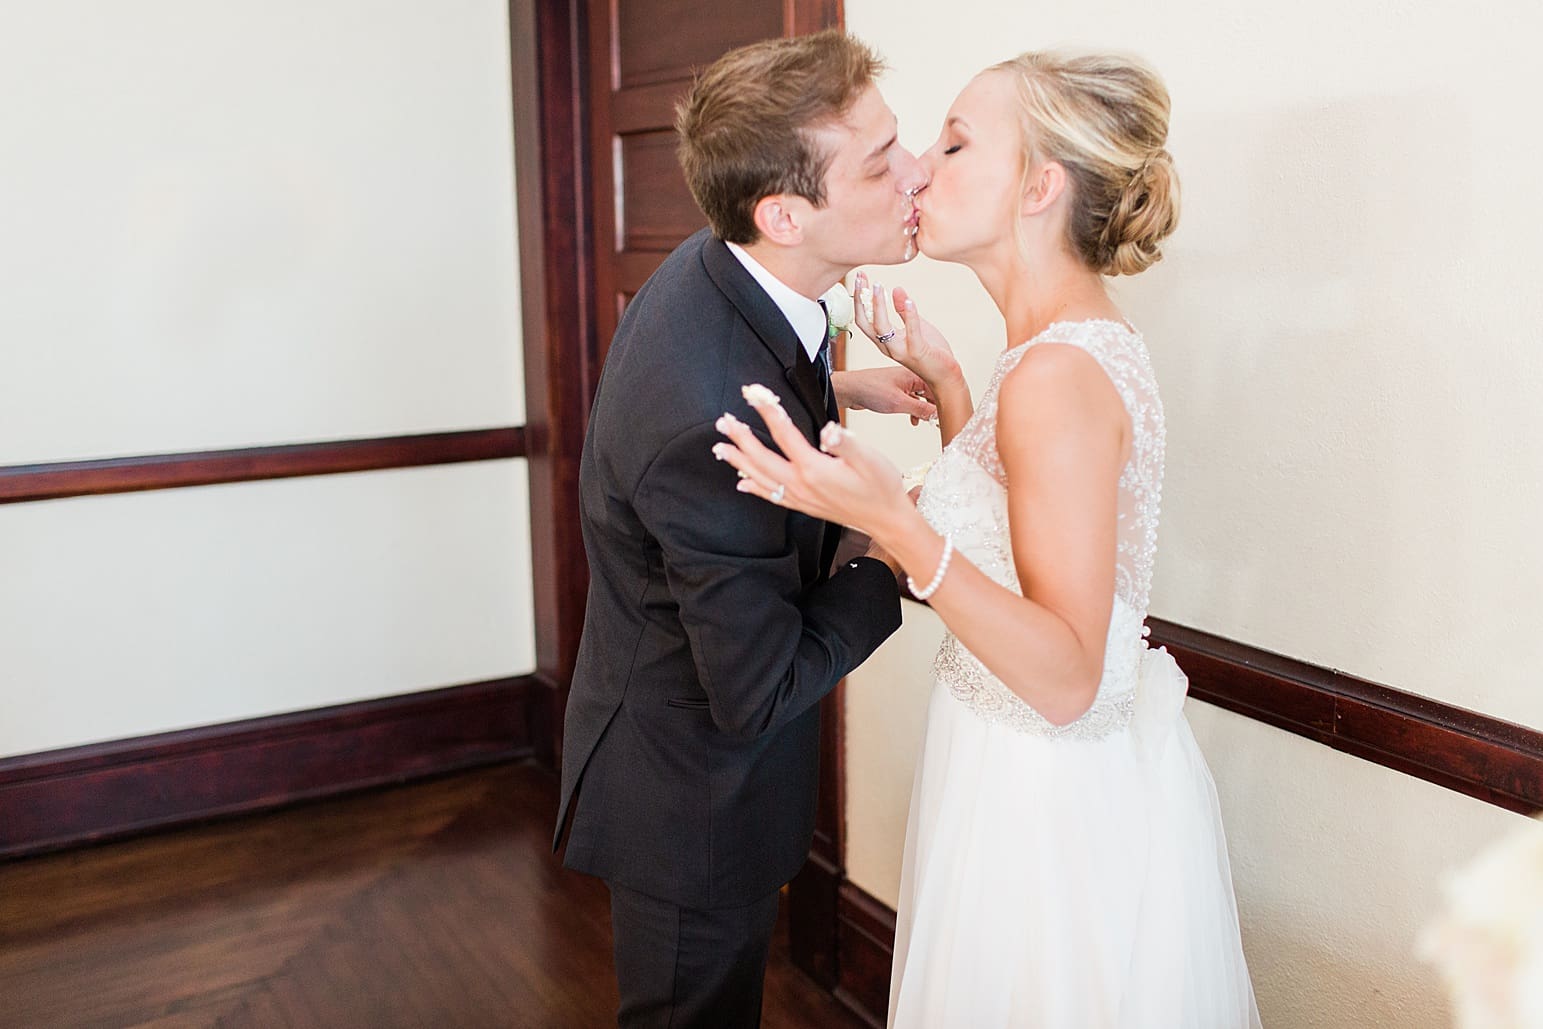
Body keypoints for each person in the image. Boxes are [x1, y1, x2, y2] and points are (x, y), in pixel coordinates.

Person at [715, 51, 1263, 1027]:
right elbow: (1026, 532)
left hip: (1043, 807)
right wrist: (951, 385)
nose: (919, 167)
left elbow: (1064, 676)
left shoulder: (1056, 374)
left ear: (1039, 186)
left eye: (956, 142)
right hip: (1022, 769)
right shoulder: (1058, 347)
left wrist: (892, 523)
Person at [552, 30, 933, 1029]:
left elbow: (733, 380)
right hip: (689, 803)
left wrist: (838, 390)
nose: (916, 175)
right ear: (784, 212)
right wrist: (893, 547)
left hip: (682, 745)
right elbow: (758, 684)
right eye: (881, 162)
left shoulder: (721, 267)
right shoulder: (709, 413)